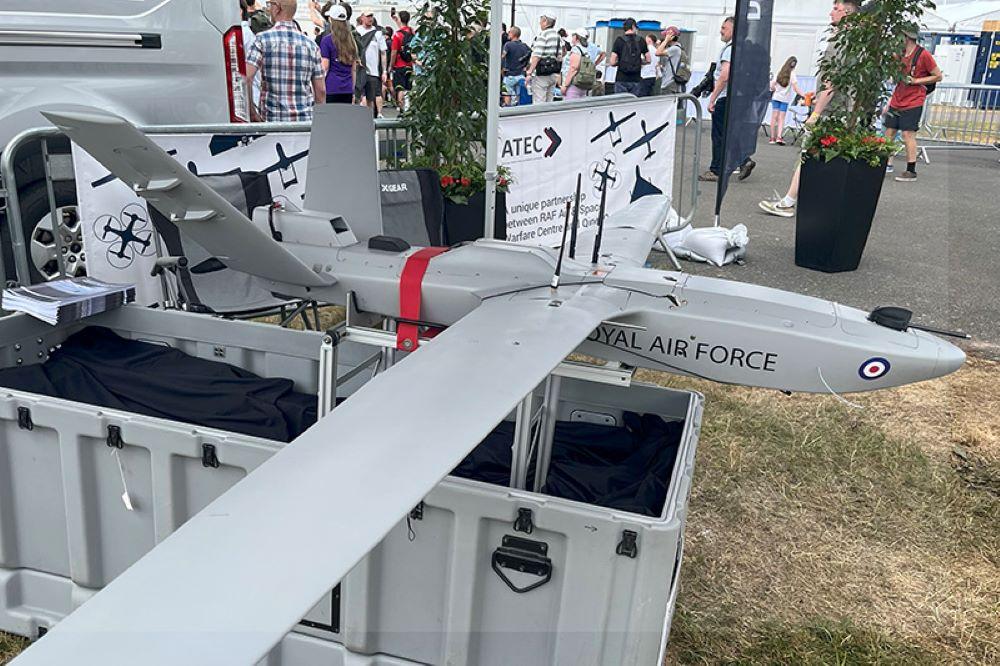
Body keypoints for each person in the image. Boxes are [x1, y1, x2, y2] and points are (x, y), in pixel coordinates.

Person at [759, 0, 863, 217]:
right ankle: (813, 204)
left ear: (847, 13)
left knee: (808, 154)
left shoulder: (841, 41)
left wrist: (816, 113)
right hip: (843, 110)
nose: (831, 13)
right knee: (825, 157)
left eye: (836, 9)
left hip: (832, 112)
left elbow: (832, 82)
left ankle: (789, 202)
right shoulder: (855, 41)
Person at [245, 0, 325, 122]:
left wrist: (252, 113)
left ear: (277, 8)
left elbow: (247, 77)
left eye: (270, 4)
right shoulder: (311, 46)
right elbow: (321, 91)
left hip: (272, 121)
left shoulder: (262, 40)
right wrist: (319, 121)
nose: (269, 9)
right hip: (304, 122)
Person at [700, 16, 756, 182]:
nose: (721, 31)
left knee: (719, 134)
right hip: (741, 96)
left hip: (727, 97)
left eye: (724, 28)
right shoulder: (746, 49)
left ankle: (716, 169)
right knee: (730, 132)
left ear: (734, 30)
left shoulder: (731, 49)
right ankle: (744, 160)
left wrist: (713, 98)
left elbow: (725, 75)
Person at [884, 25, 941, 181]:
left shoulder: (923, 55)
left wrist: (916, 81)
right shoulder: (899, 54)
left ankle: (911, 170)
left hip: (914, 100)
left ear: (907, 37)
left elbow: (938, 76)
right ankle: (885, 163)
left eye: (899, 36)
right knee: (889, 131)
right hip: (898, 97)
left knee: (907, 134)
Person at [319, 4, 357, 104]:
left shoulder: (327, 40)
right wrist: (352, 89)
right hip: (347, 88)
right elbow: (353, 69)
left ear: (331, 20)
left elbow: (325, 67)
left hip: (331, 87)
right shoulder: (351, 41)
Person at [356, 11, 388, 117]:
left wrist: (384, 71)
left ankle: (370, 120)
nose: (370, 18)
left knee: (371, 97)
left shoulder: (378, 33)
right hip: (359, 70)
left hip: (373, 72)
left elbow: (383, 53)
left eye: (371, 16)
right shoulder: (356, 31)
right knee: (359, 96)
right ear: (362, 18)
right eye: (368, 16)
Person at [525, 14, 561, 104]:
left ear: (545, 21)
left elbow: (537, 55)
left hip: (541, 74)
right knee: (549, 102)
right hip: (553, 73)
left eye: (541, 20)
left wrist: (530, 71)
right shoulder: (557, 36)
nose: (539, 23)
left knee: (539, 102)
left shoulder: (543, 35)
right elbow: (561, 54)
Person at [609, 17, 649, 96]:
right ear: (633, 26)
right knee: (633, 102)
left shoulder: (619, 40)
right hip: (636, 79)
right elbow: (648, 60)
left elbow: (612, 62)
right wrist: (639, 62)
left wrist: (620, 63)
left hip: (621, 78)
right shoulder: (641, 40)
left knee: (620, 101)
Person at [769, 57, 804, 145]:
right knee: (781, 118)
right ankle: (779, 137)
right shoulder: (792, 75)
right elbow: (796, 88)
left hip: (776, 97)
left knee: (774, 117)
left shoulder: (779, 72)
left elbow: (772, 85)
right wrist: (803, 95)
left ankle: (772, 138)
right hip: (784, 99)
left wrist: (775, 89)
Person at [389, 10, 415, 111]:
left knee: (400, 88)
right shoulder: (411, 31)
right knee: (408, 88)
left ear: (400, 19)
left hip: (399, 65)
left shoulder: (397, 35)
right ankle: (408, 107)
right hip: (409, 64)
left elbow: (394, 52)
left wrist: (391, 65)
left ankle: (401, 109)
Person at [502, 26, 531, 106]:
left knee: (506, 93)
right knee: (519, 96)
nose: (508, 33)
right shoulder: (525, 46)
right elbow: (530, 57)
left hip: (509, 75)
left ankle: (508, 108)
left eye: (509, 32)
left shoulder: (508, 45)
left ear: (513, 34)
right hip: (521, 75)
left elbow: (502, 56)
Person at [561, 29, 594, 101]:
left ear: (577, 37)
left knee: (570, 106)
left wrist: (565, 85)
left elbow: (573, 68)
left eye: (573, 35)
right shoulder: (586, 50)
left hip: (573, 84)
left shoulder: (576, 49)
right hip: (582, 83)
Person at [656, 26, 684, 95]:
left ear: (672, 37)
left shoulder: (675, 49)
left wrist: (666, 40)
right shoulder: (675, 48)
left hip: (669, 84)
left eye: (666, 36)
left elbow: (657, 53)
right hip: (671, 84)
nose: (664, 37)